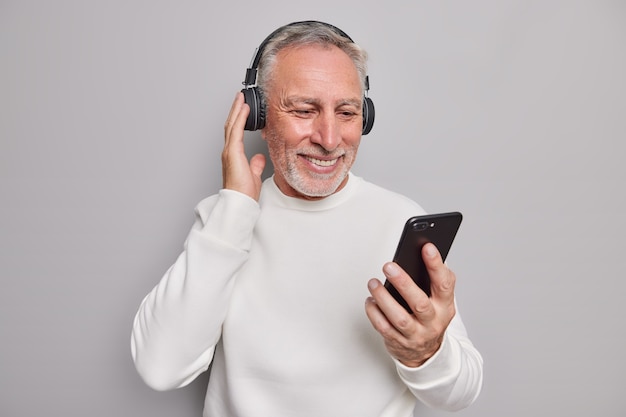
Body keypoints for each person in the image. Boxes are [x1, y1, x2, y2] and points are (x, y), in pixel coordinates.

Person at [131, 20, 483, 417]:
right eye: (304, 110)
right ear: (257, 115)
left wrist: (426, 353)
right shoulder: (225, 220)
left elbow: (460, 395)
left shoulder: (401, 220)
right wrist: (234, 210)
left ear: (364, 118)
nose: (329, 139)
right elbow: (159, 368)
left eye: (347, 112)